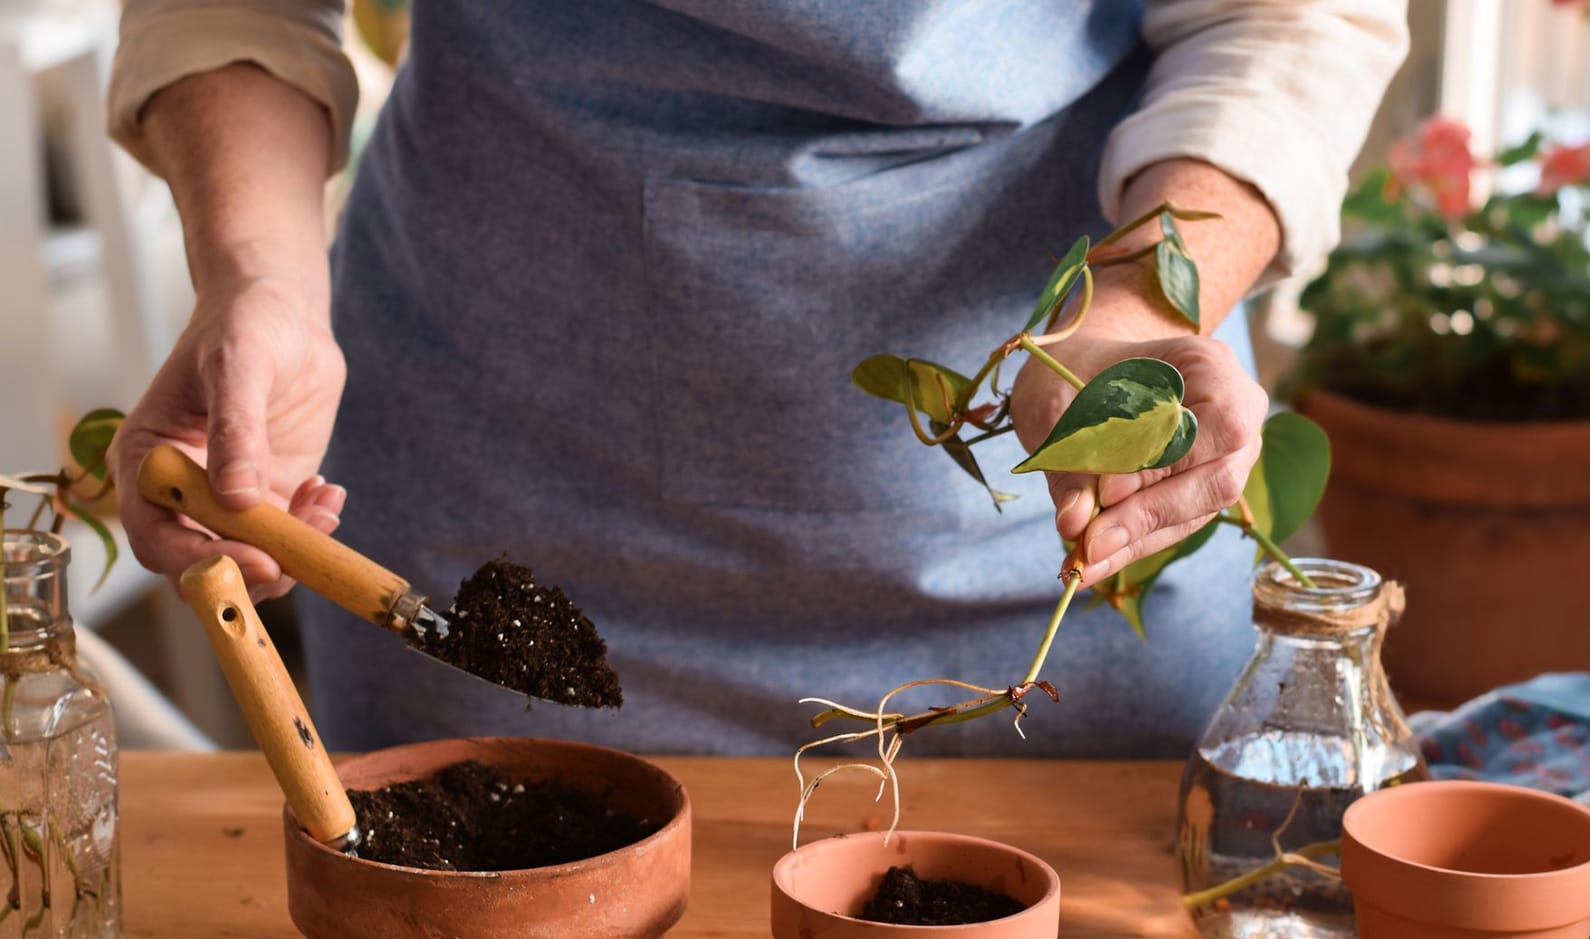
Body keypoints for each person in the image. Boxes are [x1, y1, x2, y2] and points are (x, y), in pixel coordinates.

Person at [105, 0, 1408, 755]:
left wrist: (1127, 307)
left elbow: (1285, 16)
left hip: (1032, 538)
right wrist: (257, 278)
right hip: (489, 498)